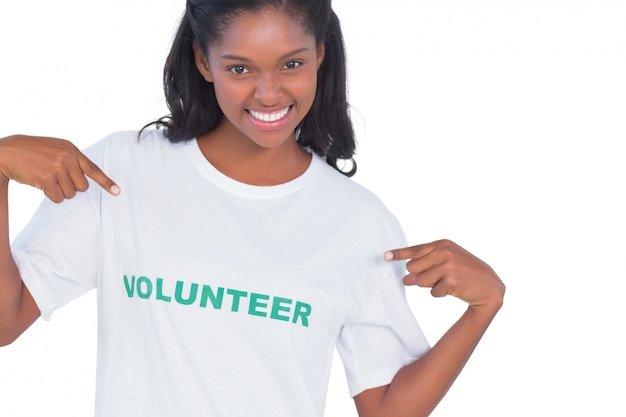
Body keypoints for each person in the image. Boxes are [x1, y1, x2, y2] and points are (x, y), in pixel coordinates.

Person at [0, 0, 505, 416]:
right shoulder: (121, 172)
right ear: (203, 60)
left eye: (292, 63)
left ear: (321, 55)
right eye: (239, 68)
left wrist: (483, 308)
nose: (269, 93)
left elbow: (386, 408)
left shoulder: (359, 223)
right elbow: (6, 322)